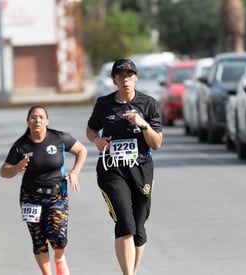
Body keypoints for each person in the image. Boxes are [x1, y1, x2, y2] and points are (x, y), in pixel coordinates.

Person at [86, 58, 163, 275]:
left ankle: (132, 272)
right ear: (114, 80)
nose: (125, 80)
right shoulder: (104, 104)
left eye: (129, 76)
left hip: (141, 170)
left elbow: (156, 143)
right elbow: (91, 130)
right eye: (120, 76)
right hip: (112, 170)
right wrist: (97, 141)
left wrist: (143, 124)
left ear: (136, 78)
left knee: (138, 229)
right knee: (125, 224)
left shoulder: (148, 104)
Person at [0, 105, 87, 275]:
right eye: (33, 117)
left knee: (59, 238)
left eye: (41, 117)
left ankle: (60, 258)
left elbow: (81, 150)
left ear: (47, 121)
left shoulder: (59, 138)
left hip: (57, 195)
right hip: (30, 197)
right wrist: (17, 167)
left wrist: (75, 173)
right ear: (28, 121)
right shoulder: (21, 146)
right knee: (38, 240)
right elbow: (4, 171)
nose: (37, 120)